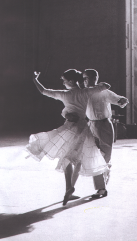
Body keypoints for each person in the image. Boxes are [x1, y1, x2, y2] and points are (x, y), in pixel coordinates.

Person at [26, 69, 110, 205]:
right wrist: (100, 85)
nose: (63, 83)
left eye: (64, 81)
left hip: (69, 128)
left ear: (71, 81)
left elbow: (44, 91)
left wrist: (35, 80)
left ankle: (69, 188)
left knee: (68, 158)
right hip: (83, 128)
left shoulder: (65, 94)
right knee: (75, 158)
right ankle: (69, 188)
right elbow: (106, 86)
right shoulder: (84, 92)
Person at [83, 69, 129, 198]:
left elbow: (118, 100)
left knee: (105, 156)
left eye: (86, 78)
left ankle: (102, 185)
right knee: (93, 156)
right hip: (91, 124)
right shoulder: (84, 93)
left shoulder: (104, 91)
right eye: (83, 78)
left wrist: (122, 100)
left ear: (94, 78)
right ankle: (101, 187)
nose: (84, 81)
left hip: (104, 125)